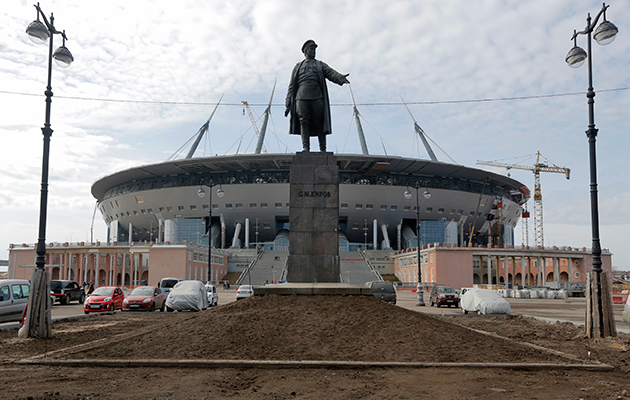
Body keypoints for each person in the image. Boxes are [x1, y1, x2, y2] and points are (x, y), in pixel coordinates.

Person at [285, 39, 350, 152]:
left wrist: (340, 78)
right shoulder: (297, 67)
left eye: (315, 49)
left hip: (317, 96)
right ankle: (306, 148)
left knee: (320, 121)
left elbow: (330, 72)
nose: (314, 51)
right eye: (311, 49)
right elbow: (291, 86)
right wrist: (288, 102)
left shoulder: (320, 64)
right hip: (301, 97)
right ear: (305, 51)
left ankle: (323, 149)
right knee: (303, 121)